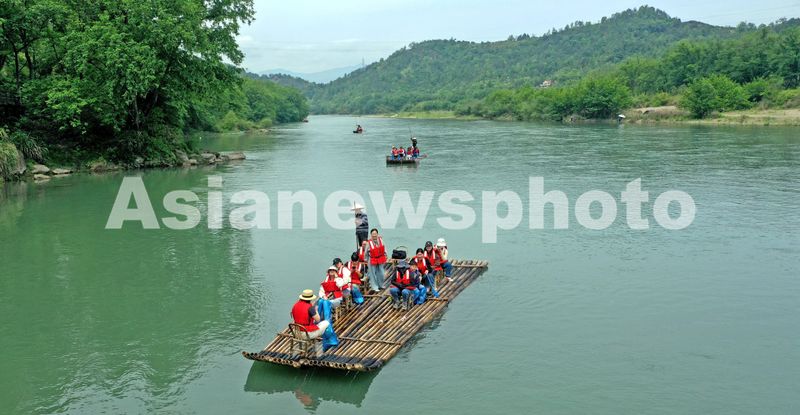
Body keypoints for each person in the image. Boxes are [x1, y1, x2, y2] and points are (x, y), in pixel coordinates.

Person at [366, 228, 387, 293]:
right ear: (371, 235)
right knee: (372, 274)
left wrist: (386, 255)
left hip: (380, 258)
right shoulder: (368, 243)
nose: (374, 235)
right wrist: (366, 259)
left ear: (377, 234)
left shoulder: (381, 240)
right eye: (373, 234)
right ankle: (375, 287)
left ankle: (381, 285)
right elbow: (366, 252)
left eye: (375, 234)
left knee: (381, 273)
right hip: (372, 259)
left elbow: (384, 248)